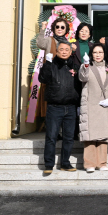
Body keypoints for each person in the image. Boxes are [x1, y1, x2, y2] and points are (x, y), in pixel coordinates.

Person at [38, 41, 80, 174]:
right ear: (56, 51)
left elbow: (80, 84)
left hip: (71, 107)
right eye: (61, 49)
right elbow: (42, 79)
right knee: (51, 136)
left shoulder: (74, 66)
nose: (64, 51)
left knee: (68, 137)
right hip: (54, 107)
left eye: (67, 49)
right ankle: (49, 164)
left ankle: (65, 163)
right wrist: (47, 64)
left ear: (70, 52)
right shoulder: (51, 64)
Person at [78, 43, 108, 172]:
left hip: (105, 105)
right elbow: (82, 77)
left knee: (103, 135)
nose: (98, 55)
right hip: (91, 105)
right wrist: (85, 65)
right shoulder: (86, 66)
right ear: (91, 54)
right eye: (95, 52)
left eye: (100, 52)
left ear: (104, 53)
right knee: (90, 135)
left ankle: (102, 163)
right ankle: (89, 163)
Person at [36, 17, 72, 119]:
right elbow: (40, 43)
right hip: (52, 75)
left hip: (64, 76)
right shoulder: (49, 40)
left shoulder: (68, 43)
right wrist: (42, 28)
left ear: (66, 30)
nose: (59, 29)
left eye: (62, 27)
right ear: (54, 28)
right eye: (57, 27)